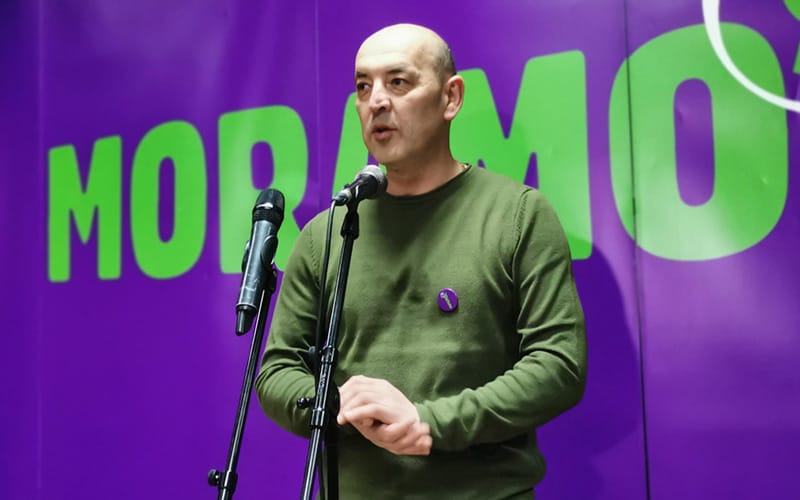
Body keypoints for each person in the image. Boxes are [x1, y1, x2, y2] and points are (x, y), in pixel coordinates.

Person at [255, 23, 587, 499]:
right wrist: (335, 404)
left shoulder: (518, 215)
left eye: (398, 82)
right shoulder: (326, 233)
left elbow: (559, 365)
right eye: (363, 86)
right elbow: (276, 371)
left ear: (451, 97)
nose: (376, 101)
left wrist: (429, 422)